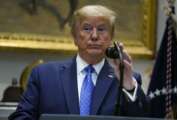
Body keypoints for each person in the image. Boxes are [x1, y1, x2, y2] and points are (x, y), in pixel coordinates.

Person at [9, 5, 149, 120]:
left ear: (111, 37)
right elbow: (21, 117)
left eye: (101, 29)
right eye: (87, 28)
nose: (94, 36)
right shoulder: (44, 75)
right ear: (75, 36)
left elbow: (144, 118)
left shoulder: (127, 80)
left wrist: (128, 86)